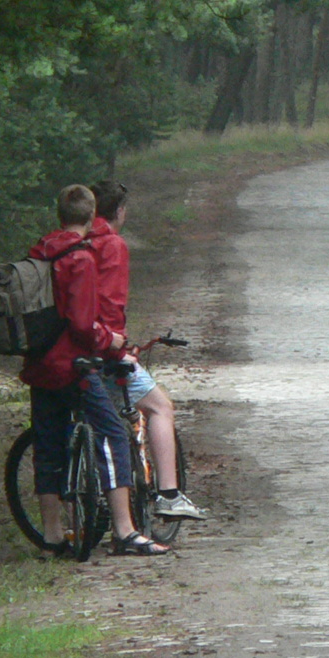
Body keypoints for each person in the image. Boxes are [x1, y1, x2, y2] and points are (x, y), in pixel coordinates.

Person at [21, 184, 168, 556]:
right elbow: (83, 323)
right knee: (113, 436)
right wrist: (112, 341)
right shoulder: (81, 258)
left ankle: (52, 536)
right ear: (91, 217)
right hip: (73, 365)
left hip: (39, 364)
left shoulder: (39, 252)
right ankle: (124, 530)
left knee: (48, 446)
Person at [89, 179, 205, 520]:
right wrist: (118, 345)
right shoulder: (111, 244)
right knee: (159, 407)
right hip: (104, 348)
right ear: (119, 211)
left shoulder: (73, 242)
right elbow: (111, 302)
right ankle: (169, 493)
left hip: (70, 348)